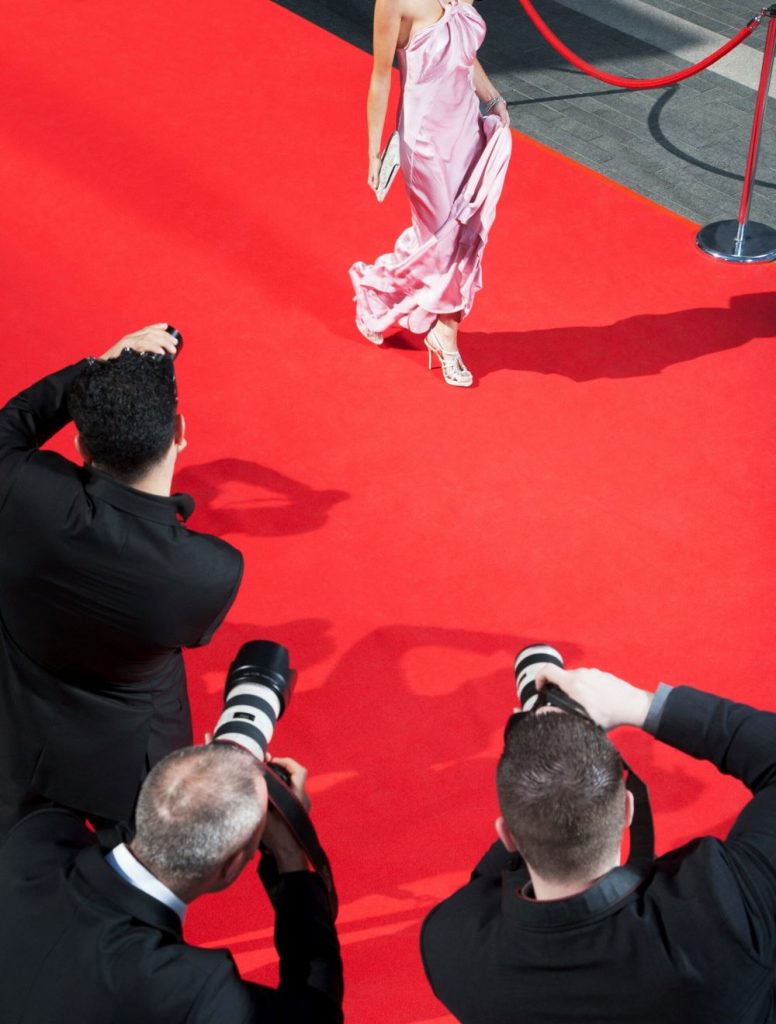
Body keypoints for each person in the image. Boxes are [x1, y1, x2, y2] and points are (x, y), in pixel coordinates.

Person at [421, 662, 776, 1023]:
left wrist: (534, 760)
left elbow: (487, 885)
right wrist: (638, 705)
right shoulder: (724, 914)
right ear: (627, 808)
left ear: (506, 836)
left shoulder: (452, 948)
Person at [0, 325, 244, 835]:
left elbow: (15, 421)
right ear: (179, 430)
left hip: (17, 733)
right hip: (129, 768)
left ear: (79, 442)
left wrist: (95, 367)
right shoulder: (211, 569)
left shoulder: (22, 490)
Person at [0, 743, 344, 1023]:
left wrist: (205, 777)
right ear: (231, 867)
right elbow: (316, 1015)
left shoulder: (33, 840)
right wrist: (290, 858)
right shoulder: (192, 989)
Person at [350, 0, 512, 388]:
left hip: (465, 131)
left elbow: (463, 50)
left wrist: (492, 97)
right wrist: (374, 150)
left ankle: (378, 292)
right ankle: (445, 337)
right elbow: (380, 77)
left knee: (458, 236)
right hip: (425, 144)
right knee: (447, 243)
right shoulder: (392, 2)